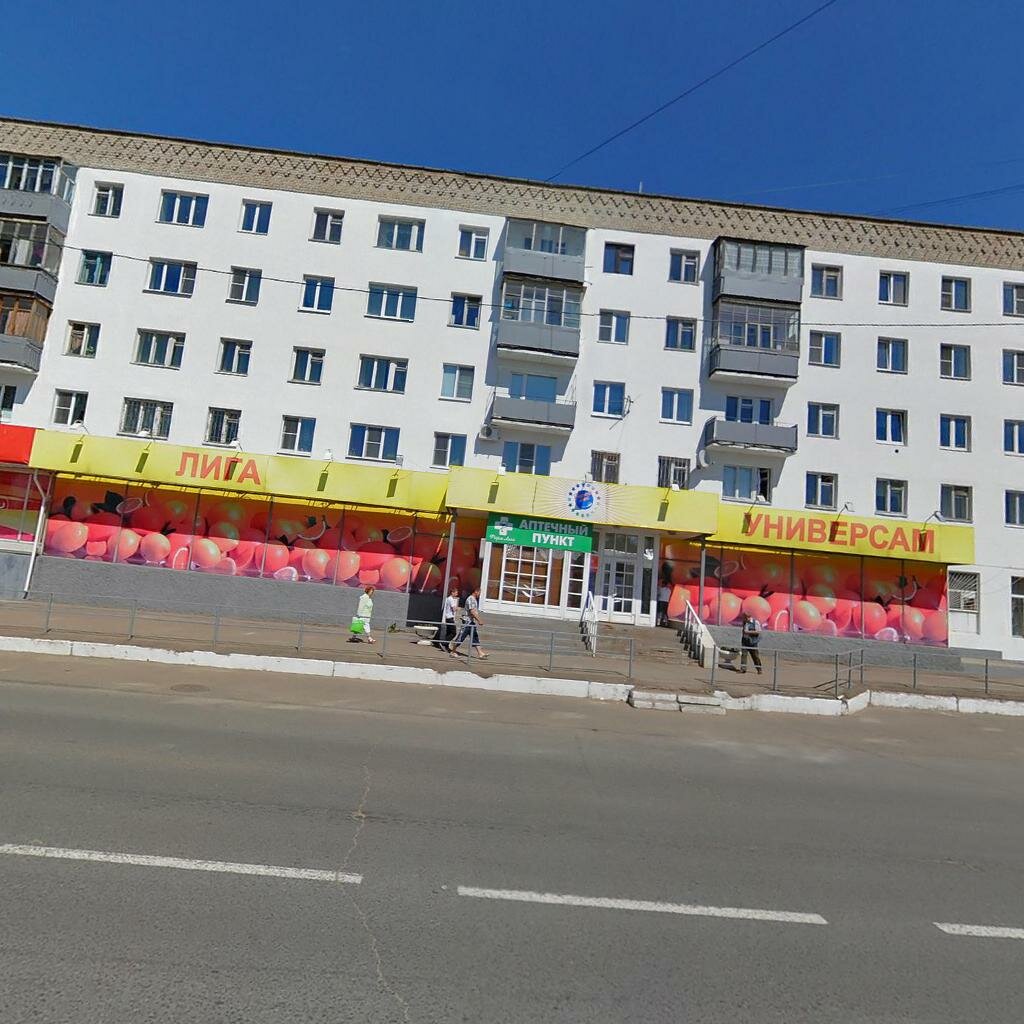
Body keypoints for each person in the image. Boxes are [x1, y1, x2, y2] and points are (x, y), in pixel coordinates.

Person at [449, 585, 487, 660]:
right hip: (467, 621)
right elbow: (472, 611)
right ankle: (453, 651)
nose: (480, 594)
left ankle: (480, 653)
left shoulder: (474, 599)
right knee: (461, 636)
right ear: (476, 591)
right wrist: (479, 620)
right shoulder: (471, 599)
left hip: (471, 621)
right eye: (479, 592)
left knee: (475, 636)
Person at [435, 583, 459, 649]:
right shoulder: (451, 599)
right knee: (454, 633)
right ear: (452, 592)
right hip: (449, 618)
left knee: (449, 632)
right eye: (456, 593)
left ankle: (445, 645)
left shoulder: (449, 599)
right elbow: (454, 609)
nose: (457, 594)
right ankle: (444, 643)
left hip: (448, 617)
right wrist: (458, 608)